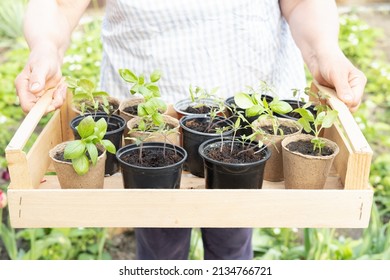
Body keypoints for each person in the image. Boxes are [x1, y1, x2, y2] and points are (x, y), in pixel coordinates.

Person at [15, 0, 367, 260]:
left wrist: (325, 52)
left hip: (245, 107)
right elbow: (58, 6)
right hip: (149, 111)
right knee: (159, 233)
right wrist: (46, 46)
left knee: (232, 226)